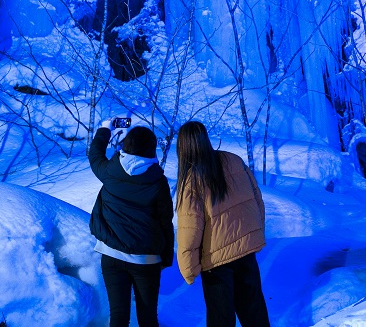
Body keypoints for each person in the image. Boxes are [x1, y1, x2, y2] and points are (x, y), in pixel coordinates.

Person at [175, 121, 270, 327]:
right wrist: (256, 232)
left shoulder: (191, 181)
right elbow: (256, 199)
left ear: (182, 148)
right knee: (254, 312)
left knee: (221, 319)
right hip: (246, 252)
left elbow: (189, 230)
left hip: (216, 262)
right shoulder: (233, 160)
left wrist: (188, 269)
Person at [89, 119, 174, 327]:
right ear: (152, 149)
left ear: (126, 145)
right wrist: (166, 257)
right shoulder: (158, 181)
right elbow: (165, 222)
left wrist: (105, 129)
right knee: (147, 317)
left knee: (118, 317)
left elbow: (94, 154)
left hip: (111, 255)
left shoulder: (110, 171)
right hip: (146, 260)